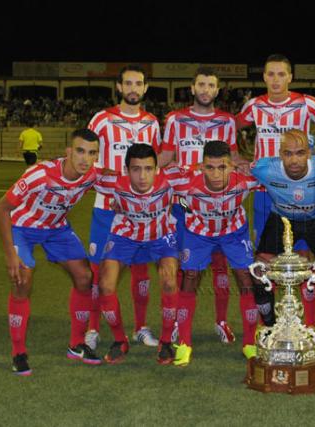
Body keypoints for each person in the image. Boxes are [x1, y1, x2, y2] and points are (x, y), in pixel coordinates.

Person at [236, 54, 315, 328]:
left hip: (301, 190)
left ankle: (307, 325)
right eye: (270, 74)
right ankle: (272, 326)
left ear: (290, 77)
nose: (275, 80)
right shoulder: (254, 106)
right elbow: (229, 128)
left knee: (306, 262)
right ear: (263, 77)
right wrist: (238, 159)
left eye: (281, 74)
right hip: (266, 193)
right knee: (267, 263)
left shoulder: (306, 103)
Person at [0, 129, 101, 375]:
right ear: (68, 151)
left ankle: (76, 344)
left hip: (56, 229)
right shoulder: (40, 175)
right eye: (80, 151)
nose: (85, 158)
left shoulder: (92, 175)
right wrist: (10, 254)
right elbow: (2, 208)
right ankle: (18, 352)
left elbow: (114, 176)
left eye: (92, 153)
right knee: (22, 281)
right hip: (23, 227)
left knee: (85, 277)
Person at [158, 66, 249, 344]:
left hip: (218, 207)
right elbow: (165, 158)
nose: (206, 89)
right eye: (201, 84)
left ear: (217, 90)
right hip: (184, 206)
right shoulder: (175, 119)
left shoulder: (226, 122)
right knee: (187, 272)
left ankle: (221, 321)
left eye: (211, 85)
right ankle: (177, 324)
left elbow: (233, 159)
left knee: (222, 269)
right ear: (193, 87)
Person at [86, 64, 162, 350]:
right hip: (106, 208)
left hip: (140, 211)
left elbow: (154, 164)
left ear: (144, 88)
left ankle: (140, 327)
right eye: (127, 83)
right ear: (119, 87)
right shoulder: (102, 120)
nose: (133, 88)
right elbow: (88, 157)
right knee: (99, 271)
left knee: (141, 271)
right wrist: (105, 174)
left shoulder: (152, 123)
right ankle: (93, 329)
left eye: (138, 83)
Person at [250, 129, 315, 358]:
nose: (294, 160)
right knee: (258, 269)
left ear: (310, 153)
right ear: (280, 154)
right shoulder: (264, 168)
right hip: (282, 219)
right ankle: (271, 329)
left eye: (300, 153)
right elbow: (236, 173)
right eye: (288, 153)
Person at [93, 144, 187, 364]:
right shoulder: (114, 183)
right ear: (126, 169)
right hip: (124, 236)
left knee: (170, 282)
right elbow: (85, 175)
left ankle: (165, 341)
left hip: (161, 236)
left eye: (148, 168)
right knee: (105, 285)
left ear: (157, 168)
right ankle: (119, 340)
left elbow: (203, 172)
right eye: (136, 169)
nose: (143, 176)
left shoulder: (171, 178)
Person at [172, 141, 260, 366]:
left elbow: (278, 174)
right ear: (202, 166)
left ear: (232, 166)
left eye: (222, 167)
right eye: (210, 168)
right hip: (198, 233)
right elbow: (156, 182)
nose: (216, 174)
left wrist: (252, 165)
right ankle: (184, 343)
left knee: (245, 278)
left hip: (234, 232)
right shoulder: (185, 181)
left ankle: (250, 342)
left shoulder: (246, 180)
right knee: (190, 278)